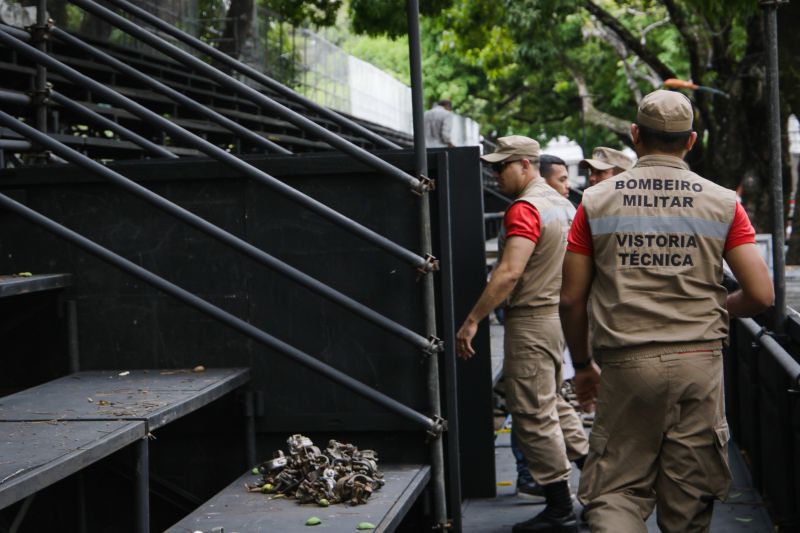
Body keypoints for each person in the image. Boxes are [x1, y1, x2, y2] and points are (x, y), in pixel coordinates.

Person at [560, 90, 774, 532]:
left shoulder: (595, 202)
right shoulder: (722, 202)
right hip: (699, 363)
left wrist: (582, 365)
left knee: (615, 490)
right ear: (691, 141)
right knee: (689, 497)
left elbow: (570, 299)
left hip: (625, 363)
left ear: (635, 135)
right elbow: (761, 294)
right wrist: (719, 310)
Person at [456, 135, 588, 533]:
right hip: (556, 318)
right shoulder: (564, 205)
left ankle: (560, 507)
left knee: (531, 411)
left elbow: (510, 272)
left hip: (531, 319)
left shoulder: (526, 208)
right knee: (554, 405)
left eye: (502, 167)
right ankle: (599, 477)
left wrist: (473, 319)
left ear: (525, 165)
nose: (495, 175)